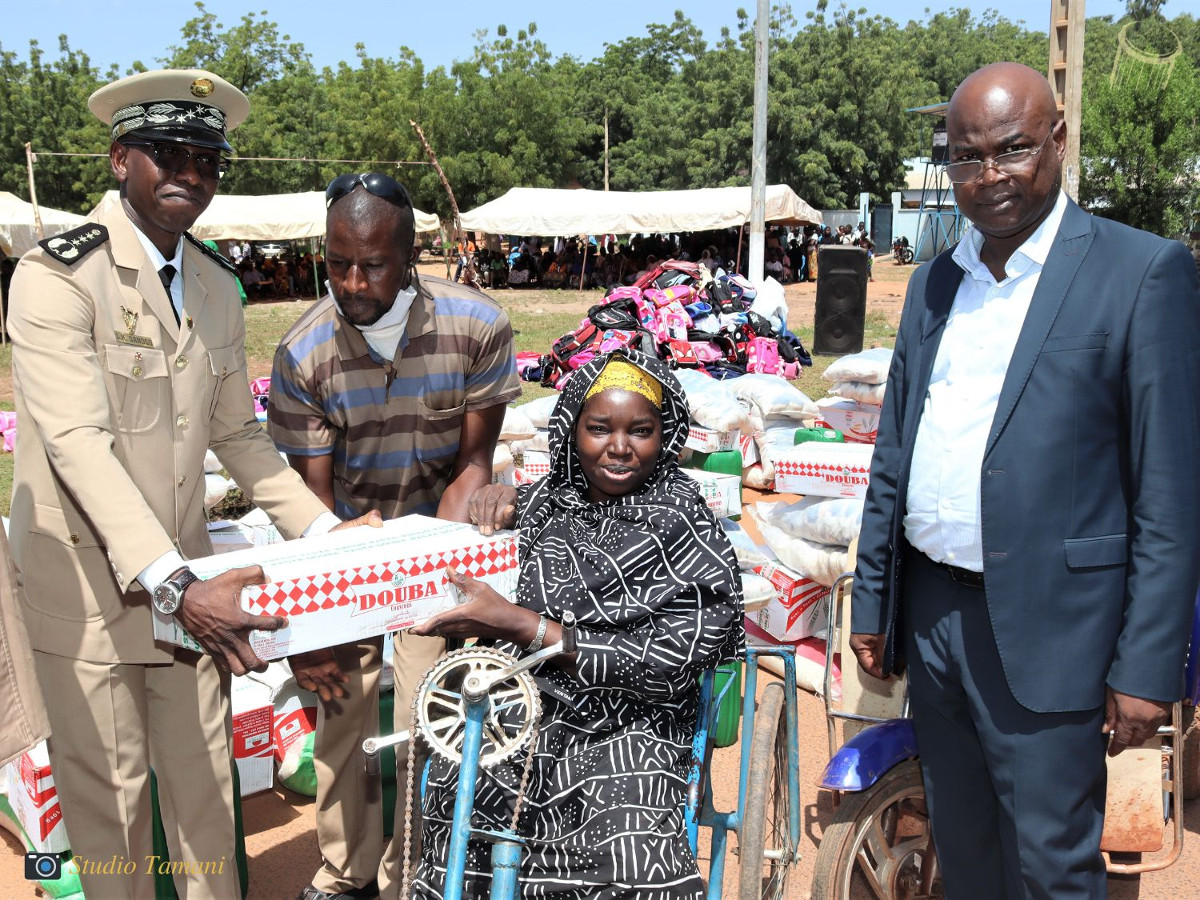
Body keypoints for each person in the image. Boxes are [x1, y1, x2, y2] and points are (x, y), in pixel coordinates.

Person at [6, 68, 373, 900]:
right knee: (114, 817)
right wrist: (174, 583)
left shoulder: (213, 284)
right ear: (120, 160)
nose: (191, 174)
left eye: (207, 159)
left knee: (207, 801)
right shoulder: (56, 275)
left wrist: (323, 532)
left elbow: (235, 434)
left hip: (190, 588)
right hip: (92, 592)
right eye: (168, 154)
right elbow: (76, 443)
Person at [850, 62, 1200, 898]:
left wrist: (1147, 666)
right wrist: (874, 600)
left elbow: (1171, 493)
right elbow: (895, 450)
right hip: (935, 619)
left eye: (1011, 148)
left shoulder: (1141, 272)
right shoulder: (936, 282)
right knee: (964, 853)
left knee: (1050, 866)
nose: (989, 175)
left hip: (1057, 629)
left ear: (1058, 140)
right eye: (965, 157)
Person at [408, 350, 744, 899]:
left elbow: (670, 662)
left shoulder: (686, 525)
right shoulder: (547, 503)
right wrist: (497, 498)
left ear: (666, 435)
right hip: (524, 706)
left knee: (628, 848)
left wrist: (526, 627)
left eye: (641, 431)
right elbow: (499, 522)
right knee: (461, 801)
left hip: (633, 720)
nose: (619, 447)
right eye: (599, 429)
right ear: (571, 431)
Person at [268, 172, 521, 900]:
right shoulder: (303, 352)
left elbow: (472, 465)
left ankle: (413, 870)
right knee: (342, 706)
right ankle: (345, 871)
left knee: (426, 709)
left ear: (410, 257)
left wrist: (436, 585)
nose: (352, 283)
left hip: (439, 533)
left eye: (373, 265)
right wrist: (321, 616)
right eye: (337, 263)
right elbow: (311, 502)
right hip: (344, 541)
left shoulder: (476, 327)